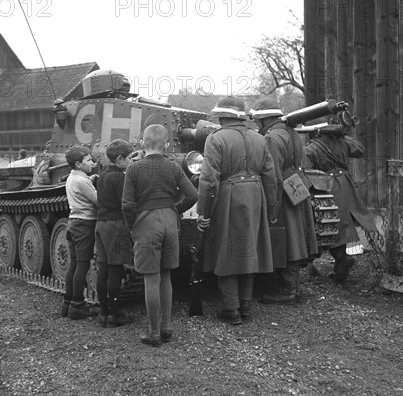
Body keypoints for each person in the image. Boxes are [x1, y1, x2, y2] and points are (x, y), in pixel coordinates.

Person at [196, 96, 277, 325]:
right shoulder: (259, 139)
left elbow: (209, 179)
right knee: (248, 249)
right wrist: (271, 207)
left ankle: (231, 309)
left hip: (229, 195)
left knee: (227, 249)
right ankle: (246, 307)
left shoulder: (216, 139)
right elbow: (271, 177)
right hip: (256, 195)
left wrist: (203, 212)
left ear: (221, 116)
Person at [122, 124, 198, 346]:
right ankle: (166, 327)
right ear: (166, 144)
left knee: (150, 279)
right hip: (169, 222)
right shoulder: (173, 167)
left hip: (146, 223)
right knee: (165, 276)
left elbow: (127, 204)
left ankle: (153, 333)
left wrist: (132, 225)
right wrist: (175, 210)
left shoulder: (134, 169)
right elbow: (192, 194)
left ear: (142, 143)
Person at [250, 97, 319, 303]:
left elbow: (273, 175)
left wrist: (271, 204)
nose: (255, 124)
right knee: (296, 236)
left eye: (256, 120)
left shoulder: (271, 138)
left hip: (282, 191)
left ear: (263, 119)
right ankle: (292, 286)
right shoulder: (291, 132)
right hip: (296, 186)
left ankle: (285, 289)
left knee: (286, 239)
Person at [302, 114, 377, 283]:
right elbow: (359, 149)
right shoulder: (342, 141)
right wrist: (342, 134)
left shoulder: (310, 148)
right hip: (345, 185)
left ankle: (342, 259)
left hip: (326, 187)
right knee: (341, 224)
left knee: (329, 224)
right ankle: (339, 263)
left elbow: (306, 172)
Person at [95, 139, 135, 328]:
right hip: (115, 225)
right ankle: (116, 314)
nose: (130, 162)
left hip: (101, 224)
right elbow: (126, 202)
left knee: (103, 269)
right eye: (128, 158)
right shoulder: (119, 177)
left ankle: (104, 312)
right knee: (115, 270)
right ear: (119, 159)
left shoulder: (102, 175)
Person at [62, 145, 99, 319]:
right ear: (78, 163)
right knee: (82, 266)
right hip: (84, 225)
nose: (92, 162)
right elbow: (97, 200)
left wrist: (90, 179)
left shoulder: (72, 177)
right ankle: (78, 306)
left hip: (73, 223)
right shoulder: (82, 181)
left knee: (75, 264)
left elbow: (81, 186)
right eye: (89, 160)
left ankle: (68, 302)